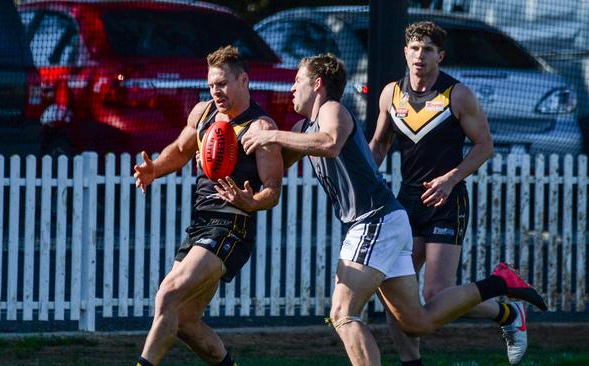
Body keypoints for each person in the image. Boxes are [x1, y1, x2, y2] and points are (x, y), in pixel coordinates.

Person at [241, 53, 547, 366]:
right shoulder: (303, 127)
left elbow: (330, 142)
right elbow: (275, 169)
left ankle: (502, 288)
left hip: (373, 221)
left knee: (342, 313)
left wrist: (271, 134)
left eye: (297, 81)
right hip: (386, 222)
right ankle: (501, 284)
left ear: (317, 84)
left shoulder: (332, 110)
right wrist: (235, 167)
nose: (292, 88)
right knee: (416, 321)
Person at [368, 21, 526, 365]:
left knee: (435, 293)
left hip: (446, 201)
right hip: (405, 204)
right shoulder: (389, 94)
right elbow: (379, 144)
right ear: (405, 52)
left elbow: (485, 146)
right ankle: (412, 362)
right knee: (395, 293)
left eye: (427, 49)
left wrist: (450, 179)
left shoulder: (457, 94)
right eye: (413, 48)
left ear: (440, 56)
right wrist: (362, 178)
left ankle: (507, 313)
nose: (419, 55)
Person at [133, 45, 283, 366]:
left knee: (168, 294)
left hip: (232, 226)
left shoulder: (260, 128)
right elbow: (180, 149)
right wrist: (154, 170)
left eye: (223, 84)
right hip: (200, 224)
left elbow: (272, 190)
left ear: (243, 80)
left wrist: (250, 201)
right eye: (212, 84)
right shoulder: (202, 113)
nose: (216, 91)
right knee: (185, 320)